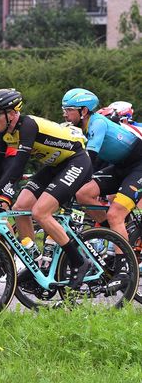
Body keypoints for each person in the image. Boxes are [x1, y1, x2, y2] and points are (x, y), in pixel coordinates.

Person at [0, 88, 93, 289]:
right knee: (20, 207)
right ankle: (34, 262)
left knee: (40, 212)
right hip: (55, 166)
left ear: (12, 114)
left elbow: (17, 167)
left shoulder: (28, 125)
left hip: (76, 161)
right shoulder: (4, 133)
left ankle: (79, 261)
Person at [62, 88, 142, 288]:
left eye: (69, 110)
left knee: (116, 214)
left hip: (139, 165)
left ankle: (124, 270)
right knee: (83, 194)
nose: (65, 114)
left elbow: (89, 159)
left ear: (84, 111)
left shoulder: (97, 122)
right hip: (120, 166)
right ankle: (113, 233)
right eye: (64, 109)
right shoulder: (80, 127)